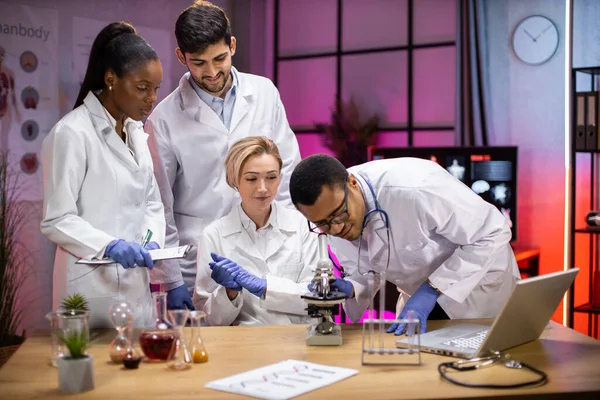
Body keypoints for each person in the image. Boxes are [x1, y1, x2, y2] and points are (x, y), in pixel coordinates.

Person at [146, 0, 301, 310]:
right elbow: (160, 204)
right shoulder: (163, 119)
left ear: (232, 45)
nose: (212, 72)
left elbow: (286, 174)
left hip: (266, 248)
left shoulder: (265, 93)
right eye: (199, 62)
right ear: (181, 57)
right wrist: (172, 279)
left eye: (219, 58)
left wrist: (294, 241)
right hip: (202, 256)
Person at [289, 154, 520, 334]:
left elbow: (493, 231)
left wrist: (430, 291)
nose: (336, 229)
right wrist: (352, 287)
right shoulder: (332, 212)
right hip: (418, 303)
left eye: (339, 215)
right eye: (323, 224)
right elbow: (368, 267)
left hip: (480, 292)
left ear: (351, 183)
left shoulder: (416, 188)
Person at [40, 22, 165, 328]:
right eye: (142, 88)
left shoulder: (136, 132)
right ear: (111, 79)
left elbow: (151, 203)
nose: (151, 99)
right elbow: (57, 219)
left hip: (136, 287)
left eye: (156, 89)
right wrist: (108, 246)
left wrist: (150, 243)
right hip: (90, 289)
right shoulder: (71, 133)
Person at [193, 137, 316, 326]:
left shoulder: (302, 225)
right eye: (251, 178)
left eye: (272, 177)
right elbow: (207, 320)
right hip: (243, 344)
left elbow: (317, 299)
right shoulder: (214, 235)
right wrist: (229, 293)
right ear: (234, 180)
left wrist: (265, 287)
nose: (263, 188)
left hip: (298, 339)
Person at [0, 45, 21, 153]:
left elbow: (13, 94)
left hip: (6, 108)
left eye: (2, 55)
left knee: (4, 137)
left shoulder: (9, 73)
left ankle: (3, 167)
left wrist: (17, 111)